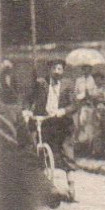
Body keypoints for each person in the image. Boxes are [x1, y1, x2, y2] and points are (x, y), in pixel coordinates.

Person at [23, 60, 78, 193]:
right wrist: (27, 110)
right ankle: (43, 184)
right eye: (54, 68)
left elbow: (74, 105)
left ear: (63, 71)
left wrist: (63, 111)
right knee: (38, 149)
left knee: (67, 152)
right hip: (45, 121)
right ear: (49, 70)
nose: (57, 72)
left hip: (63, 123)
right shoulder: (41, 83)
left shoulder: (68, 85)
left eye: (60, 69)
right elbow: (28, 99)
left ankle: (71, 187)